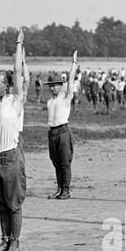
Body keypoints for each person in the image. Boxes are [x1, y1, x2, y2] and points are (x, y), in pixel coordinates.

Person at [0, 29, 28, 251]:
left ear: (7, 86)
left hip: (11, 158)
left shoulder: (14, 101)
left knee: (14, 205)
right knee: (1, 205)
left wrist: (18, 44)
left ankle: (16, 243)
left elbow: (18, 71)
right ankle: (4, 240)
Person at [45, 53, 80, 200]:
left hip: (63, 131)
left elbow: (71, 80)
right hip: (52, 132)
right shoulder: (49, 102)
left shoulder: (65, 98)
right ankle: (59, 189)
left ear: (61, 85)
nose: (53, 88)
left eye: (55, 85)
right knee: (56, 162)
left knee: (65, 163)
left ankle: (66, 190)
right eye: (51, 85)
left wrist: (73, 63)